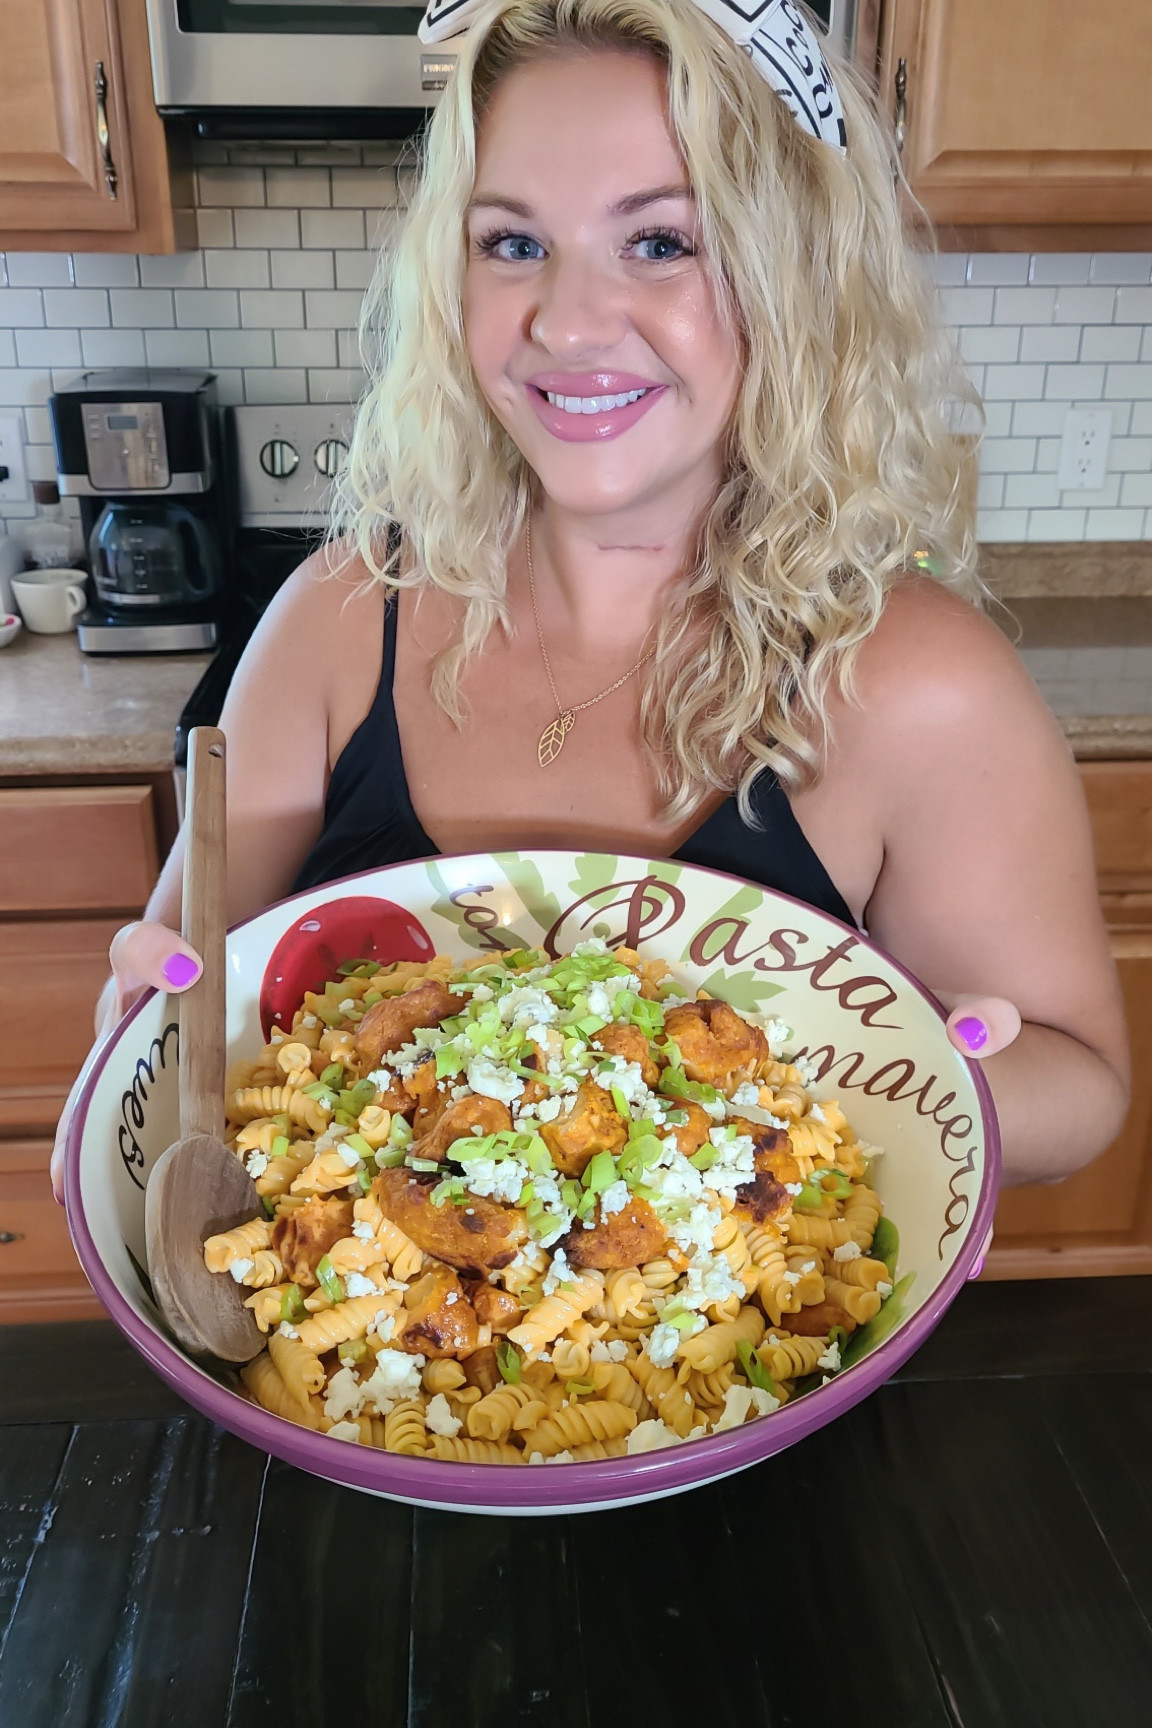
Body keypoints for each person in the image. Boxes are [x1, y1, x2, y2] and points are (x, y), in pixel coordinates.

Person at [52, 0, 1128, 1201]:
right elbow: (175, 1036)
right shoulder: (340, 618)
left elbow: (1080, 1084)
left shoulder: (916, 682)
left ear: (796, 273)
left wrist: (920, 1067)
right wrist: (137, 1034)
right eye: (512, 242)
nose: (564, 324)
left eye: (661, 241)